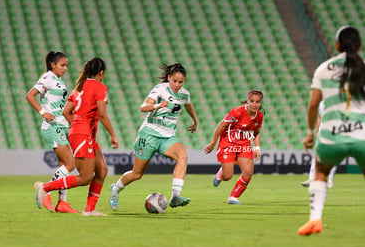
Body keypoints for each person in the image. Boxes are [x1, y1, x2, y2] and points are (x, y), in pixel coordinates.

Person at [298, 26, 365, 236]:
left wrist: (310, 132)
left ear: (336, 46)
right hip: (362, 134)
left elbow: (312, 105)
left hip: (331, 135)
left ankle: (315, 219)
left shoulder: (323, 69)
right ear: (360, 46)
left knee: (320, 173)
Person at [34, 57, 119, 216]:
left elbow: (67, 112)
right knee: (85, 177)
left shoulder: (79, 87)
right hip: (83, 134)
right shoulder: (99, 87)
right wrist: (113, 135)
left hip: (83, 133)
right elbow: (102, 114)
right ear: (101, 73)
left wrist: (78, 126)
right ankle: (45, 187)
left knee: (102, 170)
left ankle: (89, 209)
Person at [109, 63, 198, 210]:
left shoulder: (185, 94)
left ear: (184, 81)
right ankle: (116, 189)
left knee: (183, 156)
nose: (177, 84)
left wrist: (194, 120)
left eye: (180, 82)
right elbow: (143, 107)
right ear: (169, 78)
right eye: (174, 81)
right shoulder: (160, 88)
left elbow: (188, 105)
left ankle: (175, 196)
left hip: (167, 137)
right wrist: (158, 106)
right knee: (137, 174)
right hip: (149, 134)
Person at [26, 51, 78, 213]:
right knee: (71, 164)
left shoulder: (58, 80)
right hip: (52, 127)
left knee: (63, 165)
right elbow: (30, 96)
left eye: (66, 66)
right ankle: (45, 189)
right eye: (62, 65)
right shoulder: (47, 77)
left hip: (61, 126)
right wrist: (43, 112)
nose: (65, 68)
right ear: (53, 65)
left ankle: (62, 203)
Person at [204, 90, 264, 205]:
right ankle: (221, 174)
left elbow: (256, 132)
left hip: (244, 144)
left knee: (248, 173)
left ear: (260, 103)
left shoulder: (259, 116)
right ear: (247, 101)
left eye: (257, 102)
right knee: (228, 176)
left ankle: (233, 197)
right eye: (252, 101)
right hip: (228, 143)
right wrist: (213, 142)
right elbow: (221, 125)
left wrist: (257, 148)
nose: (254, 104)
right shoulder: (237, 112)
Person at [301, 101, 337, 188]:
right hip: (322, 132)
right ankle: (311, 178)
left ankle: (330, 181)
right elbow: (319, 118)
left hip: (333, 132)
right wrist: (316, 131)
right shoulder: (322, 103)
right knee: (317, 155)